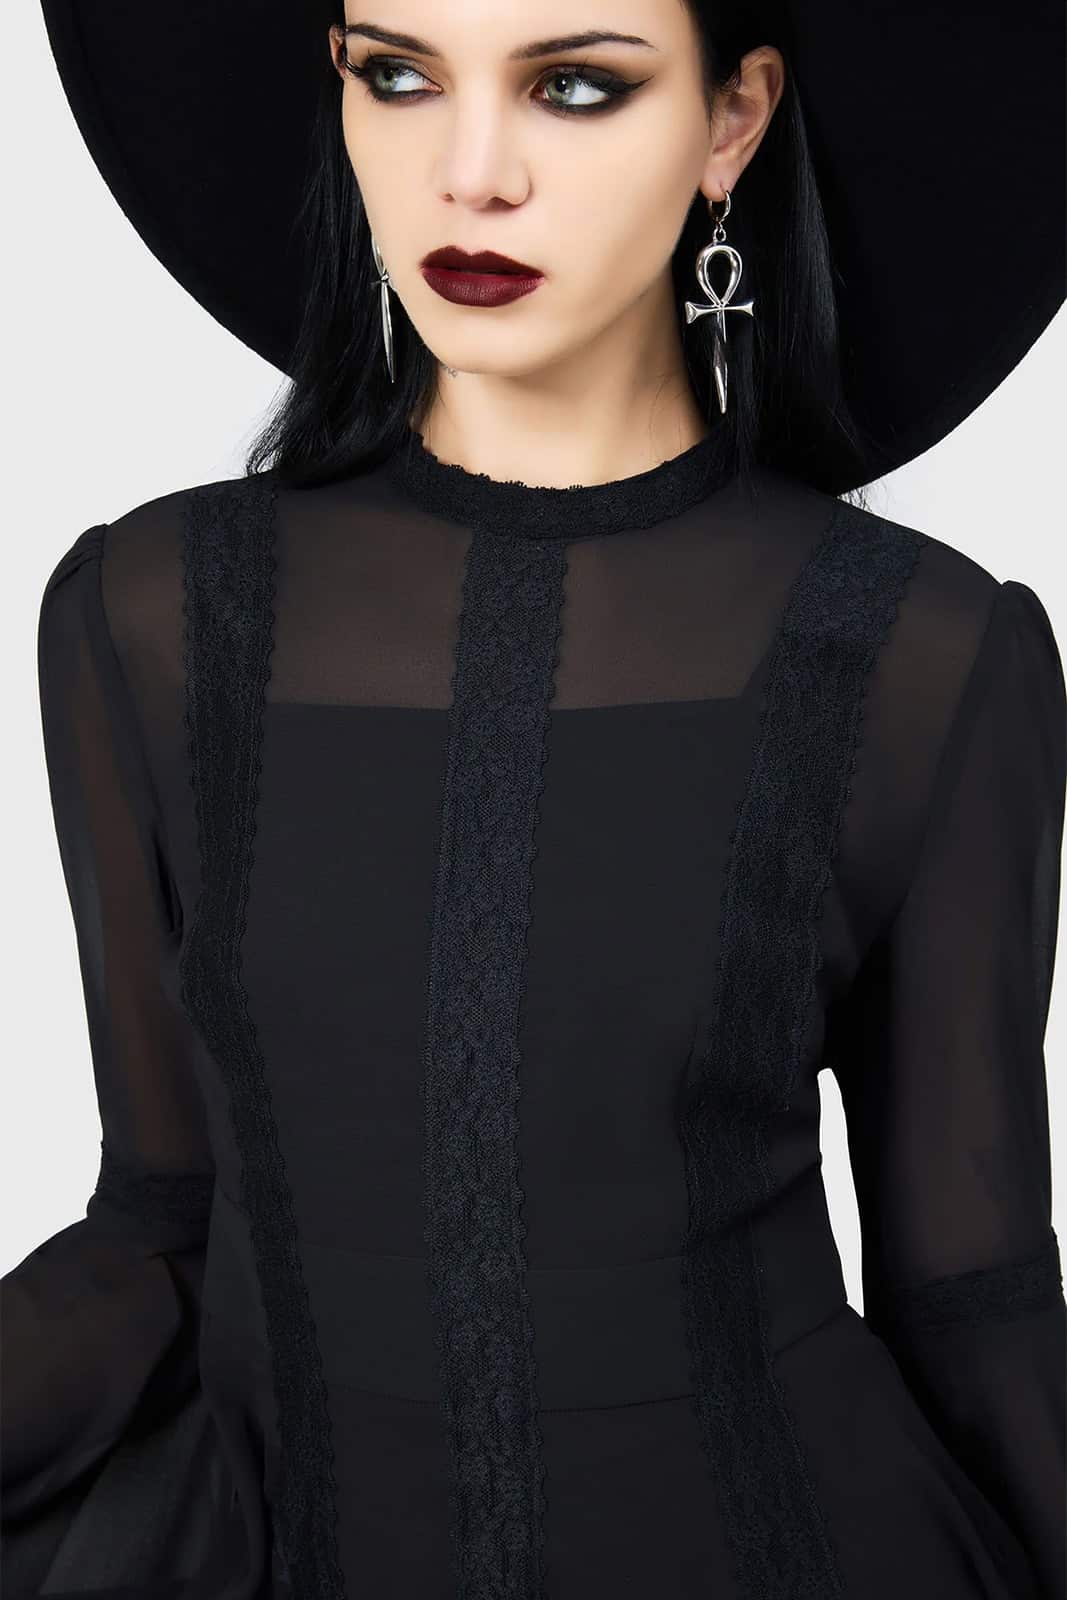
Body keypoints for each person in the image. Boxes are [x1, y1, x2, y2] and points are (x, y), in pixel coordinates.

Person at [3, 1, 1065, 1596]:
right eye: (399, 76)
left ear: (731, 121)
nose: (470, 173)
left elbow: (973, 1293)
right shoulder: (154, 620)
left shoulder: (923, 653)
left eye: (573, 85)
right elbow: (162, 1221)